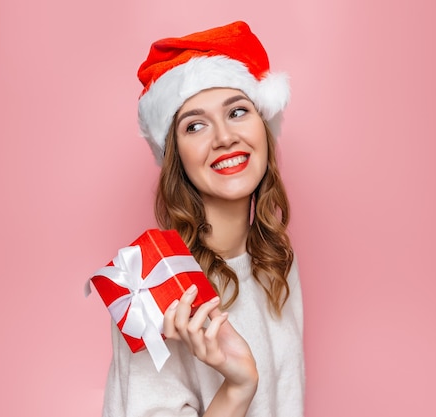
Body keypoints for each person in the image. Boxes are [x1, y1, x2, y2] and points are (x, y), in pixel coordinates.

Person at [102, 21, 305, 417]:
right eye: (195, 125)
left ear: (264, 130)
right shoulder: (150, 285)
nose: (224, 137)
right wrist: (238, 387)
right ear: (176, 156)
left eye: (238, 112)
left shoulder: (277, 259)